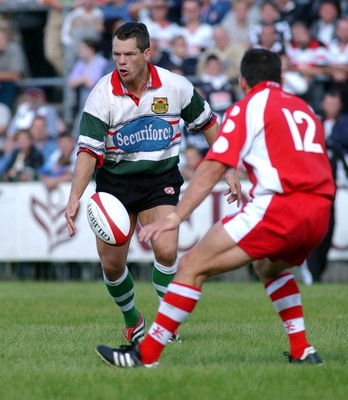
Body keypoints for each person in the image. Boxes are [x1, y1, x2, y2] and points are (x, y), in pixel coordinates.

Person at [95, 48, 335, 368]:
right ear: (280, 78)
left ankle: (144, 355)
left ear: (242, 81)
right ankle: (301, 349)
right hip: (320, 212)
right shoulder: (304, 109)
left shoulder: (249, 107)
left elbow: (212, 166)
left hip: (281, 207)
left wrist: (177, 216)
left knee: (191, 265)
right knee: (269, 267)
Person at [64, 22, 219, 344]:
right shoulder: (101, 94)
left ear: (147, 54)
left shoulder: (176, 86)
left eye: (129, 54)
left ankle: (166, 324)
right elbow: (87, 152)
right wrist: (74, 197)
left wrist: (229, 168)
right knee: (111, 266)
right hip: (114, 185)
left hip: (158, 180)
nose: (121, 61)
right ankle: (133, 320)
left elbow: (209, 123)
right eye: (116, 54)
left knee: (165, 248)